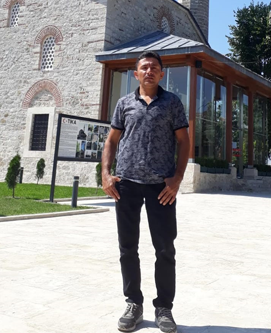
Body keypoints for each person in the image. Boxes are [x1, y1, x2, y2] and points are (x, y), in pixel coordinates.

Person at [102, 51, 190, 333]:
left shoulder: (172, 103)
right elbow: (111, 140)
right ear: (136, 74)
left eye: (154, 67)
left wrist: (177, 179)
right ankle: (133, 303)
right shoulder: (124, 103)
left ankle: (164, 308)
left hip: (161, 187)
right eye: (144, 67)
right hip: (126, 184)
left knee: (164, 248)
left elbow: (184, 142)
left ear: (162, 74)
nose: (149, 71)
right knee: (127, 247)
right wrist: (106, 174)